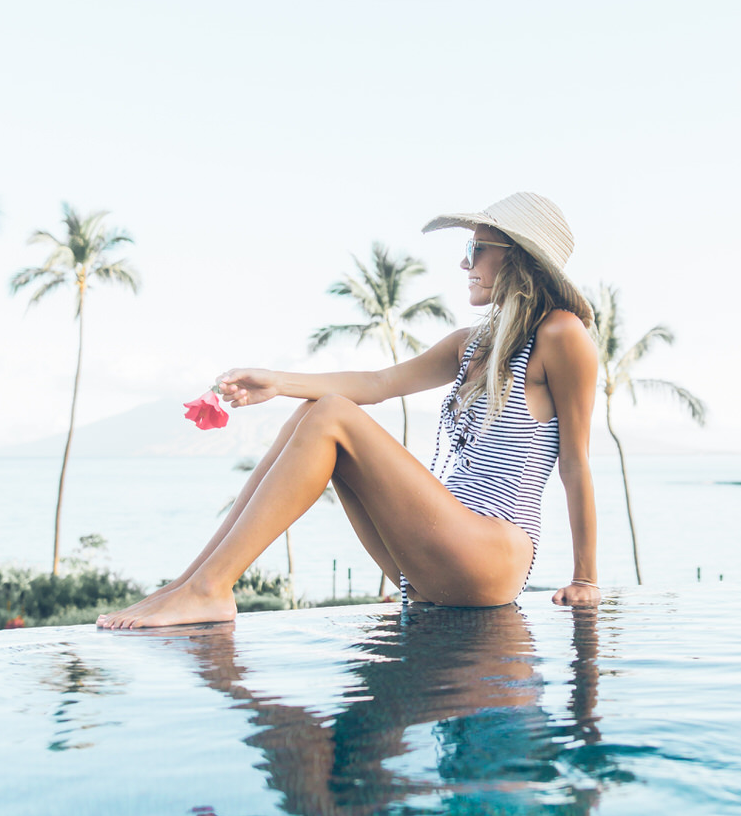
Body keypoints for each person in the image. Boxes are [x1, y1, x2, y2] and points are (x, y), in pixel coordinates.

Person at [98, 192, 601, 629]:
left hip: (493, 553)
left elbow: (575, 462)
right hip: (443, 553)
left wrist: (585, 578)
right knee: (313, 414)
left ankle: (209, 590)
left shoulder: (561, 334)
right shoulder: (472, 344)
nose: (465, 264)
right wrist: (277, 383)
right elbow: (378, 384)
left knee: (332, 414)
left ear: (518, 259)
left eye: (476, 248)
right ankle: (191, 585)